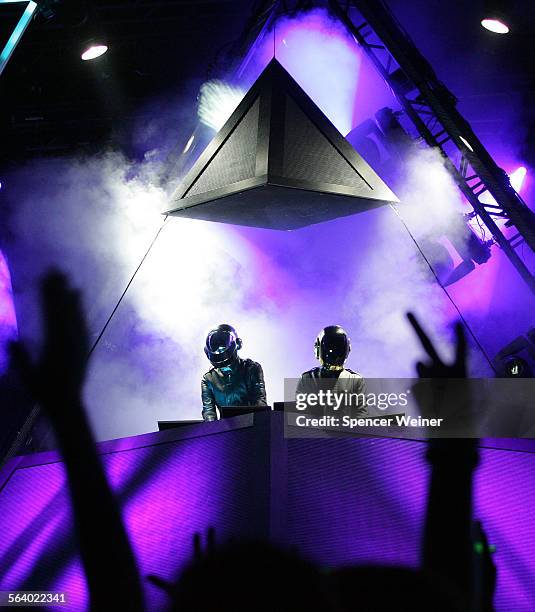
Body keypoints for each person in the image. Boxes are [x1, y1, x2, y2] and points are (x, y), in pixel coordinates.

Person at [201, 324, 267, 421]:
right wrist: (213, 430)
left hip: (251, 425)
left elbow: (259, 401)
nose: (224, 367)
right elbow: (209, 412)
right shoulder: (208, 379)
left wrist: (258, 425)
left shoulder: (251, 369)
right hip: (225, 429)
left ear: (238, 345)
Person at [297, 325, 367, 417]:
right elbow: (301, 415)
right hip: (316, 430)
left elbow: (361, 416)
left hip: (345, 430)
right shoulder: (308, 378)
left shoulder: (355, 380)